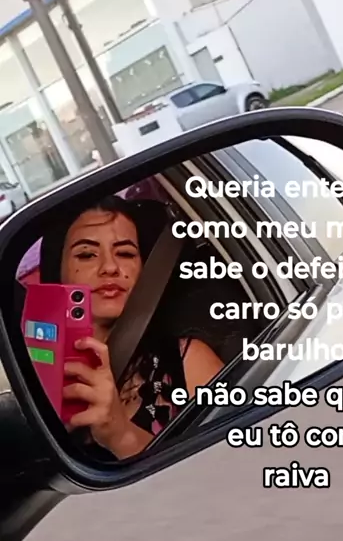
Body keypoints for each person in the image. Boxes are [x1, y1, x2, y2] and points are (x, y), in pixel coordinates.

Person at [38, 195, 224, 460]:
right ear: (57, 273)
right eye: (87, 254)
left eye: (125, 253)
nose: (110, 267)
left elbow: (234, 466)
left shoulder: (187, 361)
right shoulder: (30, 371)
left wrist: (121, 435)